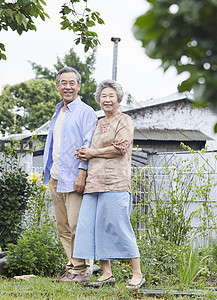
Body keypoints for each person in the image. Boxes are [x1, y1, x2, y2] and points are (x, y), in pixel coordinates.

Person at [73, 79, 145, 289]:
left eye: (110, 95)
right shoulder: (97, 123)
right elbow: (87, 149)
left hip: (116, 182)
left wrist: (92, 152)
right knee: (96, 227)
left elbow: (120, 148)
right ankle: (106, 274)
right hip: (94, 182)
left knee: (119, 226)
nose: (106, 99)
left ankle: (137, 274)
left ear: (118, 99)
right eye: (103, 96)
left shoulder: (125, 120)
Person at [43, 66, 98, 284]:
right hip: (56, 176)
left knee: (77, 225)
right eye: (63, 83)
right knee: (63, 226)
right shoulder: (58, 112)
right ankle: (73, 268)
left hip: (74, 177)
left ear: (79, 86)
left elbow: (89, 144)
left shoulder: (86, 112)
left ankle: (83, 269)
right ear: (57, 86)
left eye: (71, 83)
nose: (67, 86)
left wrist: (82, 173)